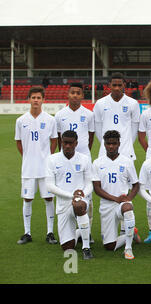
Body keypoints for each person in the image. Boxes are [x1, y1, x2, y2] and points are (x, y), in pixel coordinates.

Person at [15, 86, 58, 245]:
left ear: (43, 100)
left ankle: (50, 232)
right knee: (27, 199)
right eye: (33, 97)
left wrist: (48, 158)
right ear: (29, 99)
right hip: (28, 168)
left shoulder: (50, 119)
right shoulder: (21, 120)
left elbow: (54, 140)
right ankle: (27, 232)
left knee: (48, 198)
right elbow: (19, 143)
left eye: (38, 98)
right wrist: (28, 157)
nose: (36, 100)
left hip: (45, 168)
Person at [55, 83, 95, 241]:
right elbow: (59, 138)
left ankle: (87, 232)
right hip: (65, 159)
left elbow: (90, 136)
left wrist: (84, 152)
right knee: (65, 192)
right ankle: (67, 229)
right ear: (68, 94)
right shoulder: (59, 115)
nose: (75, 95)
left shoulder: (89, 114)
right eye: (73, 92)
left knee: (87, 195)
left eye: (78, 93)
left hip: (84, 157)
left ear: (82, 96)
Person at [45, 131, 94, 259]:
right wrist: (71, 195)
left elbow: (90, 184)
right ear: (61, 142)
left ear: (76, 143)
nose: (67, 146)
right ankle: (81, 232)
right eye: (64, 142)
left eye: (70, 143)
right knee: (67, 247)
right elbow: (49, 186)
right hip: (63, 205)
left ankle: (86, 247)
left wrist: (81, 195)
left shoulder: (84, 159)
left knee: (79, 205)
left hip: (80, 201)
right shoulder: (52, 159)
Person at [92, 130, 140, 260]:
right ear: (104, 145)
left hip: (122, 204)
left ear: (119, 144)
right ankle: (131, 233)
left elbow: (136, 184)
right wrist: (115, 199)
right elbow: (97, 188)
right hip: (107, 205)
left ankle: (128, 249)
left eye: (114, 143)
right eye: (108, 144)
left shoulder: (127, 162)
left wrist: (128, 199)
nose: (111, 146)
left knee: (128, 208)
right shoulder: (97, 163)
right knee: (109, 246)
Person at [93, 72, 140, 161]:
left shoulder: (133, 103)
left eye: (119, 85)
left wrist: (127, 144)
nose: (117, 88)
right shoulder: (100, 103)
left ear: (124, 85)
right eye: (114, 85)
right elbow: (98, 128)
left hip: (126, 151)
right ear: (109, 85)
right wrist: (107, 143)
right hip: (105, 151)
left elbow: (135, 129)